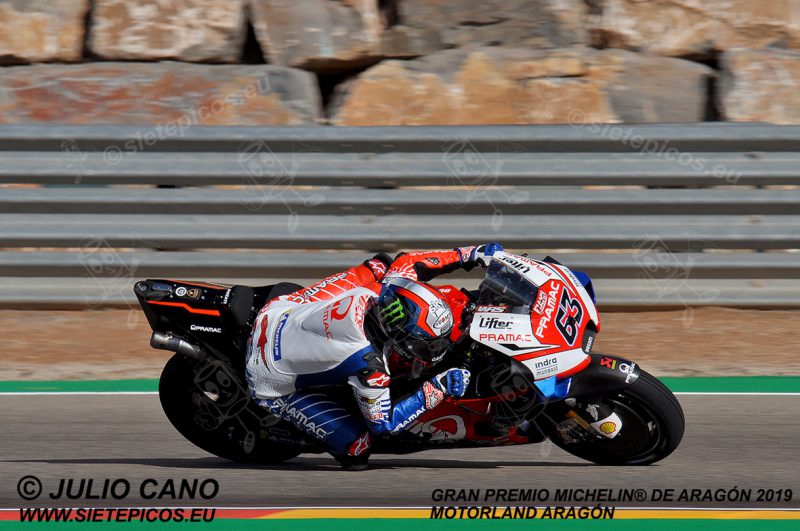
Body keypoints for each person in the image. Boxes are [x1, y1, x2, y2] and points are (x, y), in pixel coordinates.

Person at [244, 243, 504, 470]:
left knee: (379, 266)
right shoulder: (371, 367)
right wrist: (437, 388)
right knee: (357, 449)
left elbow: (409, 261)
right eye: (428, 347)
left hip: (276, 311)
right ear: (401, 340)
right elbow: (384, 425)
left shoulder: (382, 292)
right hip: (267, 377)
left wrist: (470, 254)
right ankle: (291, 432)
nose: (434, 352)